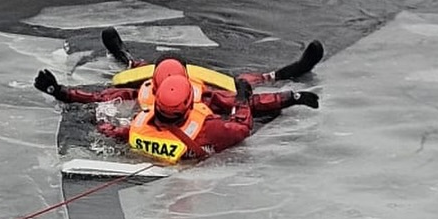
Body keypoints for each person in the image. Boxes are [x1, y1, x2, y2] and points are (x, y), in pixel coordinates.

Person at [32, 27, 322, 163]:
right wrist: (289, 98)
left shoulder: (138, 124)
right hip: (192, 153)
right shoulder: (205, 121)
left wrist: (62, 92)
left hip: (157, 140)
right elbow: (244, 117)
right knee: (244, 83)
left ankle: (126, 57)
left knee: (138, 73)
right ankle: (276, 75)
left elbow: (101, 100)